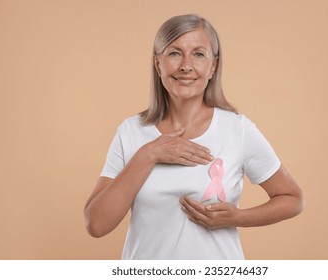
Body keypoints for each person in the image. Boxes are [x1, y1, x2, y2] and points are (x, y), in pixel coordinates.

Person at [84, 14, 304, 260]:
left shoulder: (237, 130)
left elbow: (292, 198)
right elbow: (96, 224)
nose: (185, 66)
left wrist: (238, 217)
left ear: (213, 66)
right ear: (158, 64)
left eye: (198, 54)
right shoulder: (131, 131)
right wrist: (149, 154)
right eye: (174, 53)